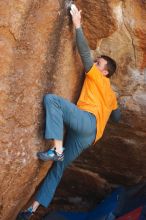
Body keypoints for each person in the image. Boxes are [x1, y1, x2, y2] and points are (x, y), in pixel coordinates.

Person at [16, 4, 121, 220]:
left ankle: (57, 149)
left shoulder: (98, 77)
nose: (94, 62)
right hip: (89, 137)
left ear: (104, 72)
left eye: (98, 62)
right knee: (58, 169)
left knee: (52, 101)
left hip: (86, 121)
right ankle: (31, 210)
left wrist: (78, 26)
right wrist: (114, 114)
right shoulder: (111, 96)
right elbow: (118, 115)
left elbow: (83, 53)